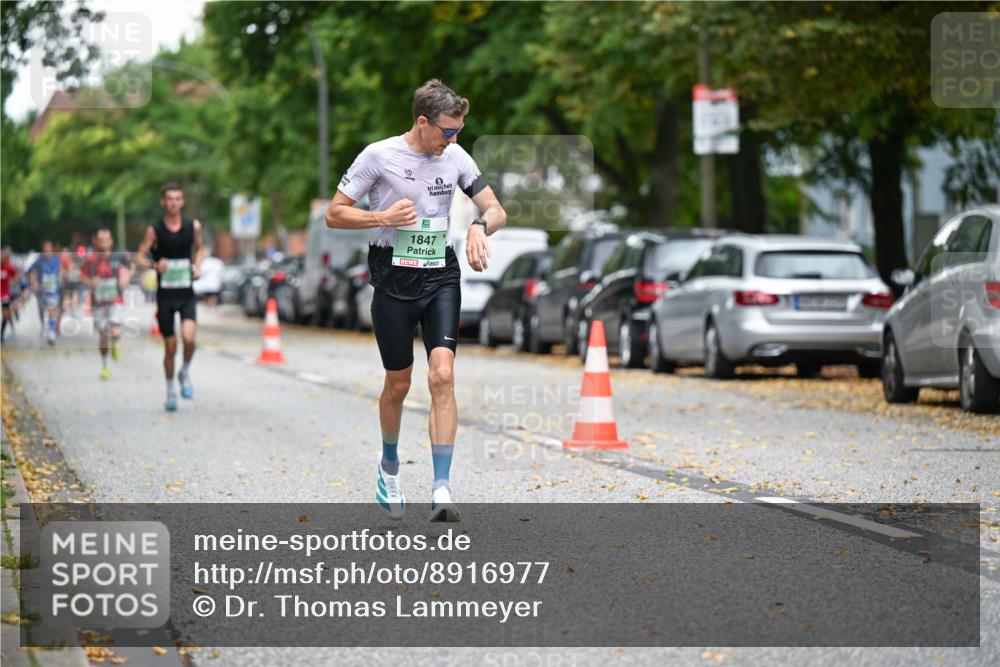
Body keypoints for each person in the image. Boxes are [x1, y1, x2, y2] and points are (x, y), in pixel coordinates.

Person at [326, 79, 506, 522]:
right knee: (399, 384)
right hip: (391, 277)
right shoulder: (379, 155)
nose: (454, 139)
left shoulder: (457, 157)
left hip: (440, 275)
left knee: (442, 376)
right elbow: (335, 213)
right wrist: (381, 216)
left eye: (459, 131)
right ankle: (389, 466)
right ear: (422, 123)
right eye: (447, 131)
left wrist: (481, 227)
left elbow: (496, 208)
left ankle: (441, 487)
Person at [134, 183, 206, 411]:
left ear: (182, 202)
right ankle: (170, 391)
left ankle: (184, 371)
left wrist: (198, 266)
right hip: (165, 295)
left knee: (189, 338)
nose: (174, 202)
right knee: (170, 346)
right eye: (170, 199)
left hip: (186, 294)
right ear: (163, 202)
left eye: (178, 198)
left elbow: (201, 249)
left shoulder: (192, 226)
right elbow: (138, 257)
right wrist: (155, 264)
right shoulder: (154, 230)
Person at [82, 229, 132, 379]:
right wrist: (91, 282)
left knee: (115, 329)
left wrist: (125, 279)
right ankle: (105, 366)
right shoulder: (90, 261)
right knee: (103, 336)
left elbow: (130, 270)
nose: (104, 242)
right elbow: (82, 277)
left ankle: (116, 343)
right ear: (95, 242)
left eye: (107, 239)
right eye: (101, 239)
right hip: (98, 303)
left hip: (115, 301)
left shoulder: (118, 258)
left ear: (111, 242)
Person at [27, 241, 62, 345]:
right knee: (42, 311)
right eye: (45, 250)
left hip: (53, 290)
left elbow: (64, 269)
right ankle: (44, 326)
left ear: (52, 250)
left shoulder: (57, 260)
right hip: (41, 291)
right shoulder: (38, 261)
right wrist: (34, 282)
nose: (47, 252)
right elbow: (31, 272)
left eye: (48, 250)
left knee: (52, 309)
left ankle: (51, 332)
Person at [1, 248, 17, 342]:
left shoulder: (8, 266)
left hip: (5, 294)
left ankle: (1, 334)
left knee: (5, 314)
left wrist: (11, 282)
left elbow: (16, 275)